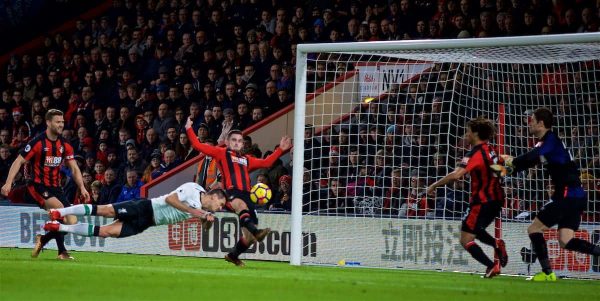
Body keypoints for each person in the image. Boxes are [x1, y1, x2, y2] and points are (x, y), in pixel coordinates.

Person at [501, 108, 600, 281]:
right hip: (576, 195)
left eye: (531, 120)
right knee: (566, 240)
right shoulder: (546, 144)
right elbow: (530, 161)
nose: (528, 123)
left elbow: (533, 156)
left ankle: (548, 274)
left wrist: (511, 162)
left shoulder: (551, 139)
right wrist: (507, 168)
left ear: (541, 123)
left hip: (567, 194)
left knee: (534, 228)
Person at [185, 117, 292, 266]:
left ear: (242, 144)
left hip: (248, 195)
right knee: (241, 207)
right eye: (233, 140)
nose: (237, 143)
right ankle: (256, 231)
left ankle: (233, 255)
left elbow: (266, 163)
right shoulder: (221, 153)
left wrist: (280, 149)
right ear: (227, 142)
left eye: (239, 141)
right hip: (231, 192)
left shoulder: (247, 159)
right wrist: (189, 128)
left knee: (248, 238)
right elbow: (198, 145)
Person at [1, 109, 90, 260]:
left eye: (62, 122)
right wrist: (8, 183)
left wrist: (82, 187)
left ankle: (43, 239)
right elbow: (18, 161)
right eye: (58, 122)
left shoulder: (65, 145)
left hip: (56, 187)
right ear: (48, 122)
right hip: (37, 186)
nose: (61, 125)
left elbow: (74, 168)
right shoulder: (37, 142)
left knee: (72, 220)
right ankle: (62, 252)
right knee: (60, 210)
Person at [426, 117, 507, 278]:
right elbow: (502, 171)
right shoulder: (491, 150)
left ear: (475, 133)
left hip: (482, 201)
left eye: (468, 131)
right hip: (497, 198)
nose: (466, 135)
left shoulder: (475, 153)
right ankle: (496, 244)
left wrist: (434, 185)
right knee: (474, 229)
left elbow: (456, 175)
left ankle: (492, 266)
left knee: (465, 238)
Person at [44, 183, 225, 239]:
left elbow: (204, 226)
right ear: (214, 196)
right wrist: (195, 213)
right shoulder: (193, 189)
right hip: (145, 207)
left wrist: (206, 222)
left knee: (106, 232)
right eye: (221, 204)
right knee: (105, 211)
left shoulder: (204, 210)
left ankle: (59, 228)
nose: (221, 208)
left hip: (147, 223)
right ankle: (60, 213)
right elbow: (171, 199)